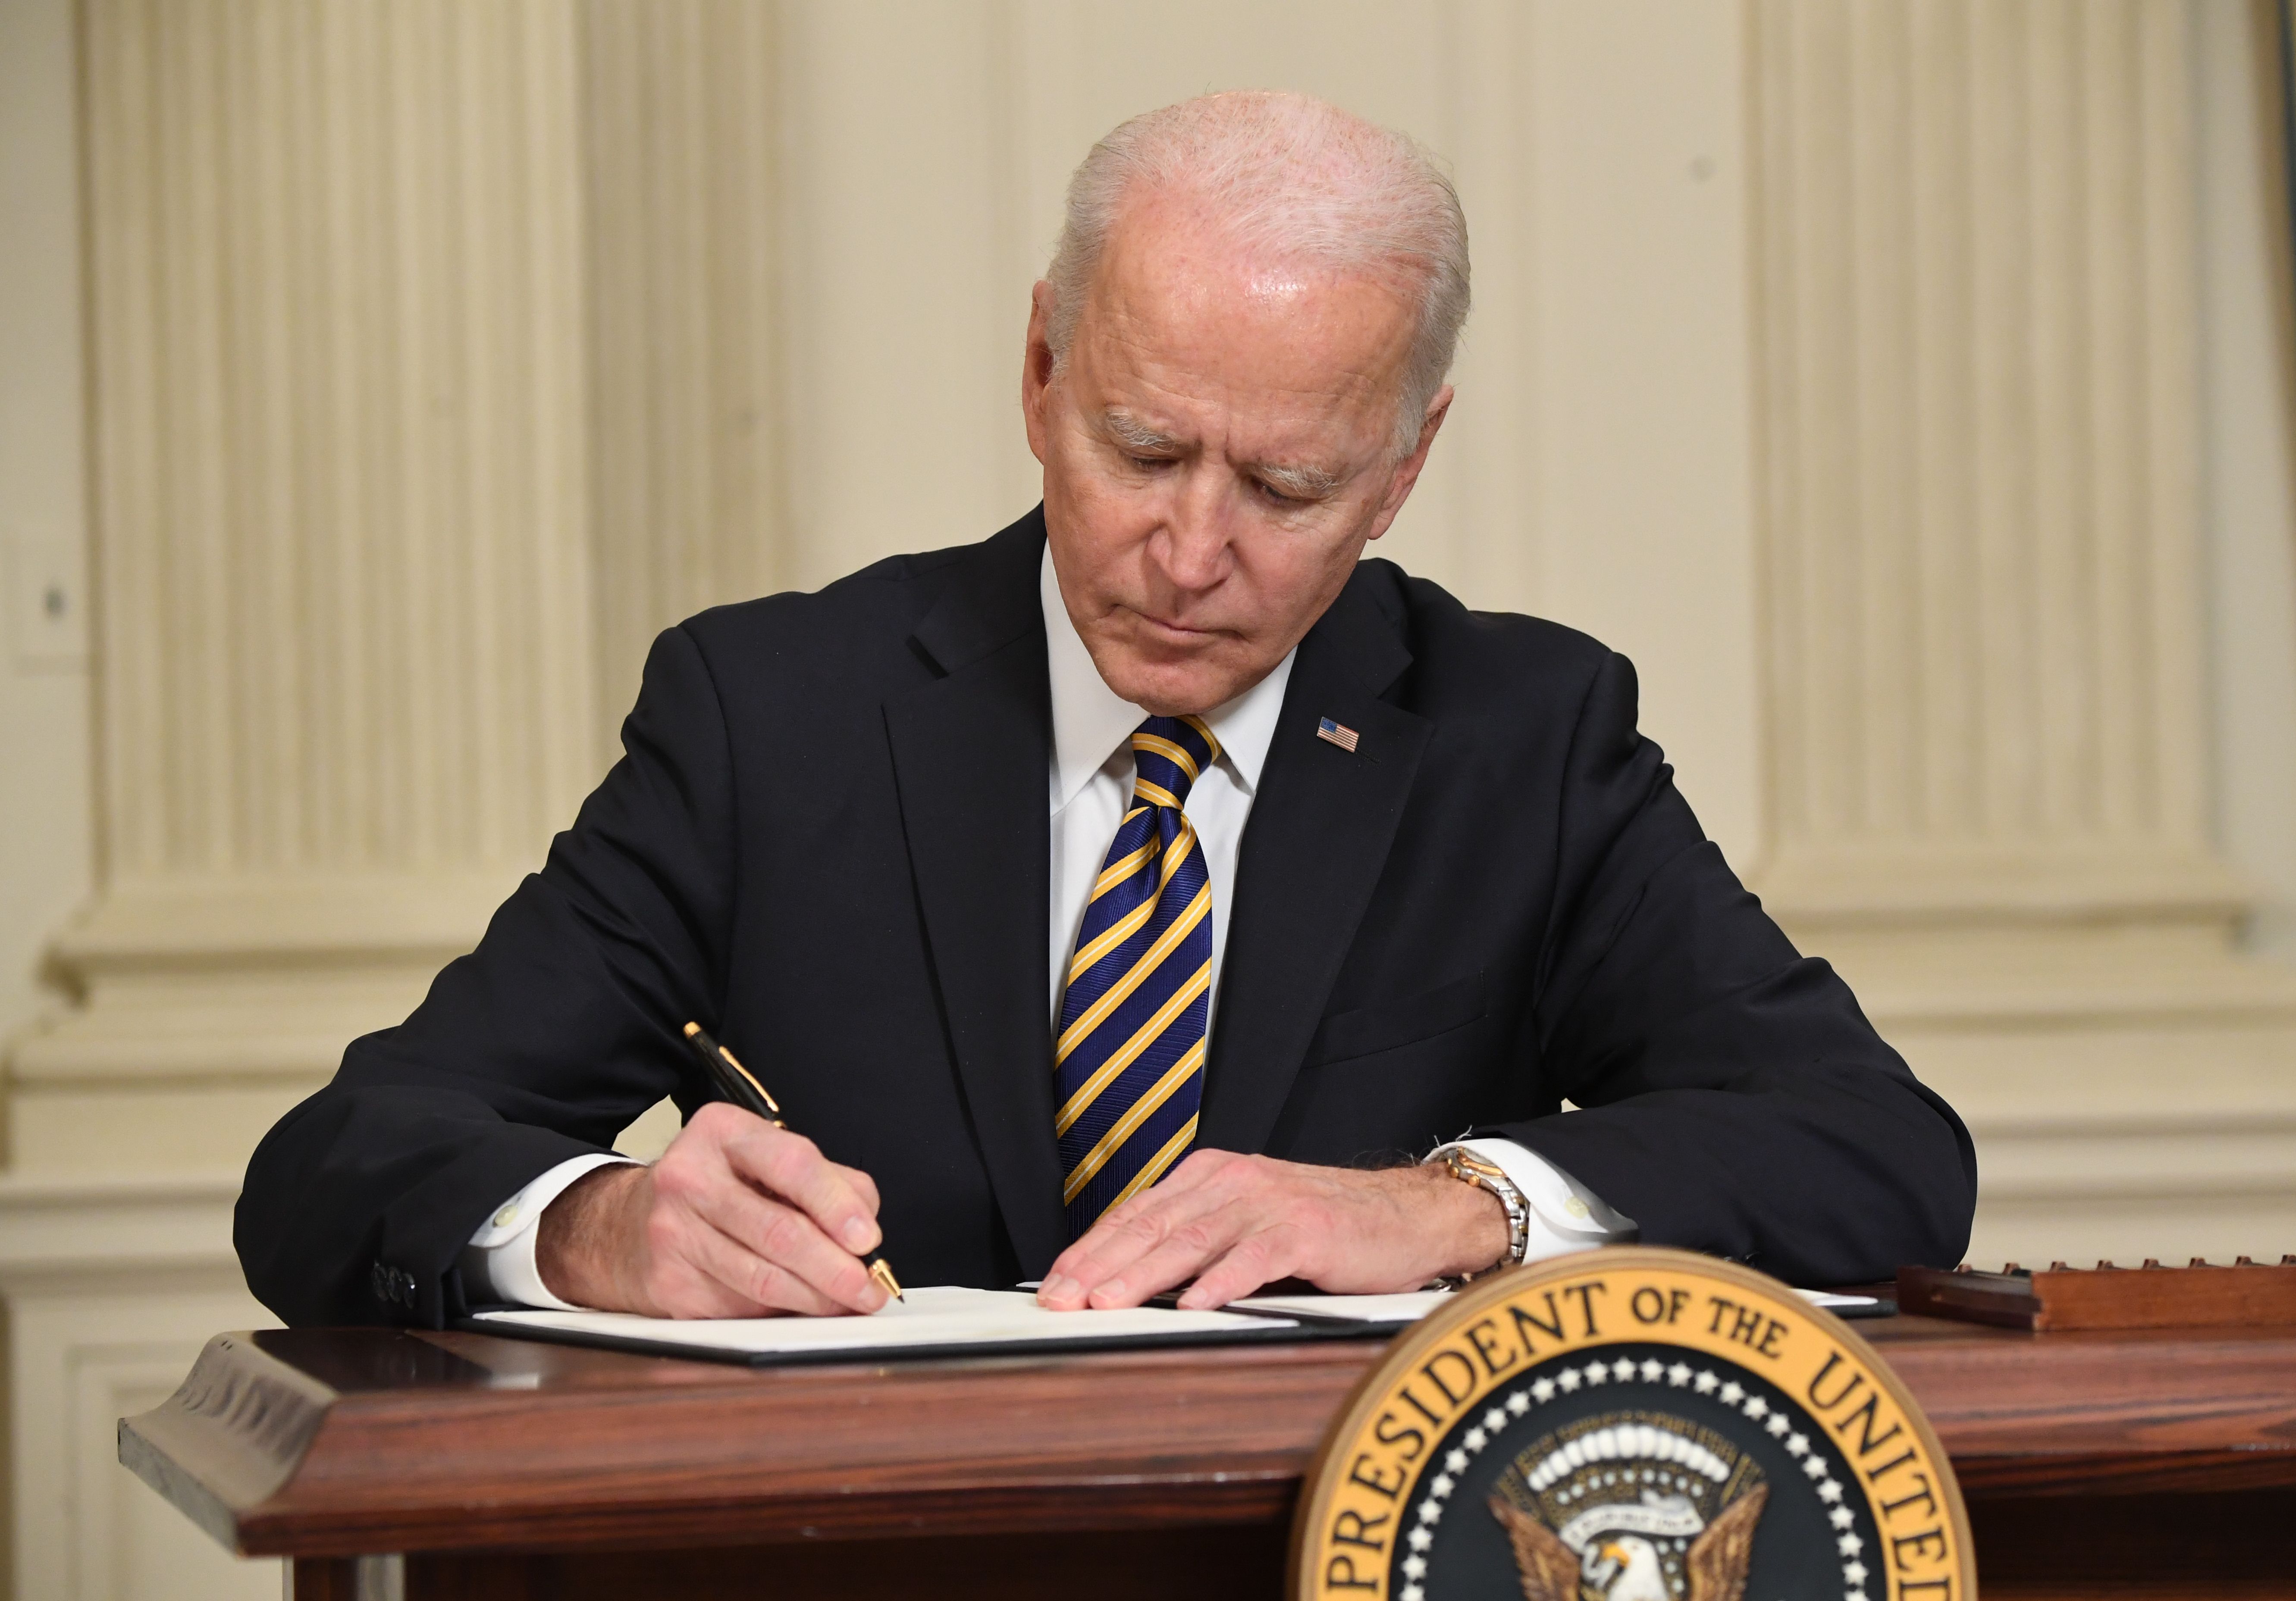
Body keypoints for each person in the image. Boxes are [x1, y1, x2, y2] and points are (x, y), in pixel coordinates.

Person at [236, 92, 1973, 1330]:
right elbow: (334, 1169)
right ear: (1041, 372)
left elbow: (1877, 1148)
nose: (1191, 548)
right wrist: (600, 1227)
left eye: (1287, 486)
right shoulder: (772, 720)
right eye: (1142, 448)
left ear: (1405, 466)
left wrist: (1445, 1206)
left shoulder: (1527, 737)